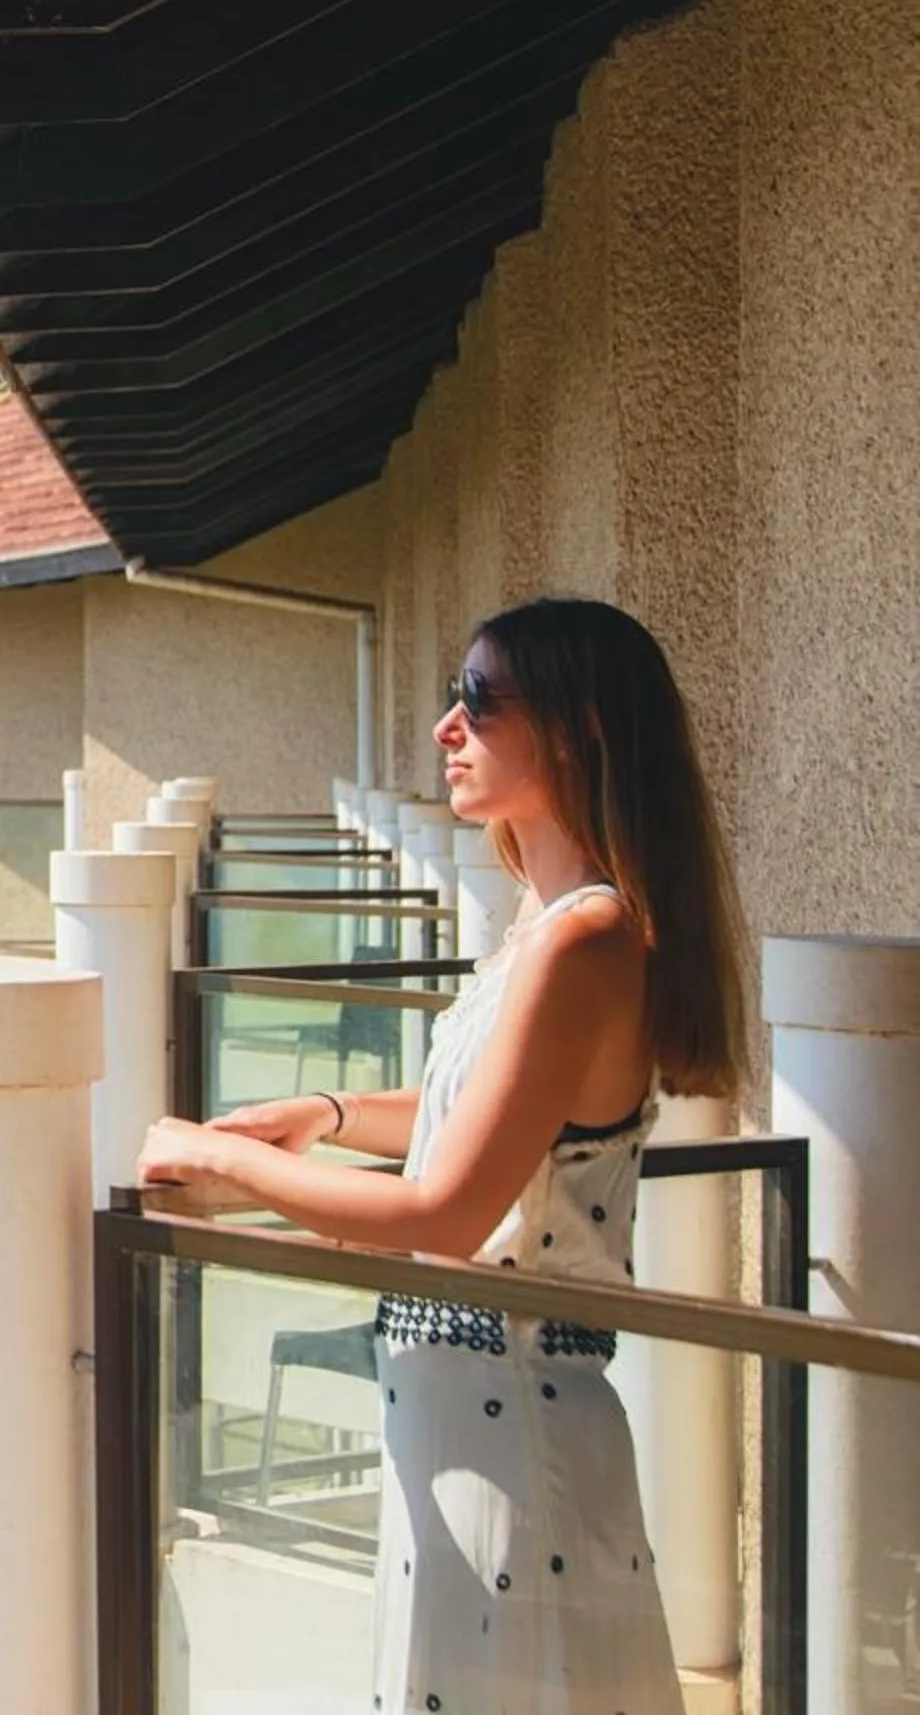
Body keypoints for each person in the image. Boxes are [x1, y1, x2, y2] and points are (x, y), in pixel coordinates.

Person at [136, 597, 745, 1715]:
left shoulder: (587, 938)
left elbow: (445, 1213)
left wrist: (217, 1163)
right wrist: (322, 1111)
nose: (443, 729)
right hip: (473, 1422)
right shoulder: (547, 921)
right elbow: (497, 1109)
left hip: (516, 1433)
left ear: (579, 726)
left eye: (478, 699)